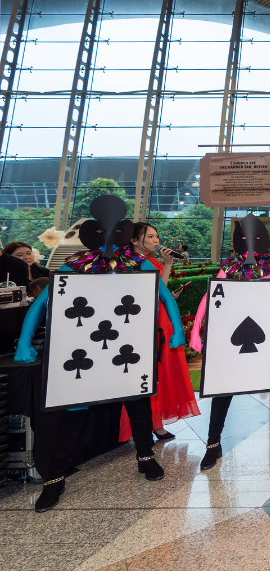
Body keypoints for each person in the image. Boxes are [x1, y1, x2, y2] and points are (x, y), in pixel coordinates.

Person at [15, 195, 186, 512]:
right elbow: (42, 302)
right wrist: (25, 341)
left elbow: (164, 296)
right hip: (84, 349)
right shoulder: (76, 263)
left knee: (137, 401)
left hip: (128, 348)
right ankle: (55, 478)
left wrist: (177, 329)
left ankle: (146, 457)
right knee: (75, 408)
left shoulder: (138, 263)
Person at [190, 214, 270, 470]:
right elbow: (211, 296)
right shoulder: (229, 269)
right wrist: (195, 330)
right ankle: (213, 444)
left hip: (269, 342)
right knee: (223, 390)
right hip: (233, 343)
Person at [121, 223, 199, 442]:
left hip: (161, 318)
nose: (156, 241)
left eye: (157, 236)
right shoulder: (133, 263)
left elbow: (160, 290)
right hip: (147, 320)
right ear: (134, 241)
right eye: (151, 236)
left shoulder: (151, 260)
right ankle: (148, 424)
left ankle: (155, 423)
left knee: (161, 371)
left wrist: (167, 265)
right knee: (150, 371)